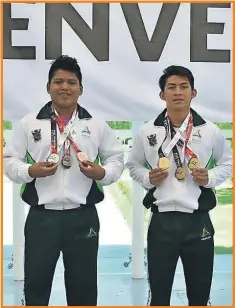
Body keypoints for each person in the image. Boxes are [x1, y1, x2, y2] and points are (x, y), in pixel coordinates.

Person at [4, 55, 124, 306]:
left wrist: (101, 174)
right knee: (36, 285)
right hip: (41, 217)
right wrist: (30, 171)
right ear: (48, 87)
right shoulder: (28, 123)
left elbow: (116, 160)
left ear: (81, 88)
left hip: (83, 216)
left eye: (71, 82)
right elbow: (9, 161)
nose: (65, 87)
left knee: (84, 288)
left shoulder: (97, 124)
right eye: (58, 81)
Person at [126, 65, 232, 306]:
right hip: (162, 221)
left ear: (193, 93)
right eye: (171, 87)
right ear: (162, 95)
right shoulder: (147, 131)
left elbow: (228, 163)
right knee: (159, 297)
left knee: (199, 295)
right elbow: (134, 166)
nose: (178, 92)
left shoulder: (210, 131)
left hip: (198, 221)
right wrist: (147, 178)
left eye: (184, 87)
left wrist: (211, 178)